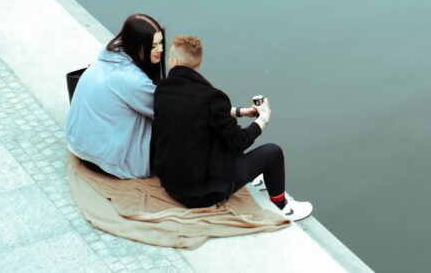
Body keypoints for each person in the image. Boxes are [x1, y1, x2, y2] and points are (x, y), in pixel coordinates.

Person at [151, 34, 312, 220]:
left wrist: (242, 112)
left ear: (174, 61)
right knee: (273, 153)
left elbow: (199, 113)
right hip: (202, 194)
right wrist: (263, 119)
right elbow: (239, 142)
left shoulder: (162, 89)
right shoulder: (212, 97)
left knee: (220, 134)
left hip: (172, 183)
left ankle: (252, 175)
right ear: (198, 63)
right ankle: (281, 205)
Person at [66, 13, 165, 178]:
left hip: (79, 146)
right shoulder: (133, 81)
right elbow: (166, 112)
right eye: (153, 46)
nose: (160, 49)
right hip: (107, 162)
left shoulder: (110, 54)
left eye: (161, 43)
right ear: (138, 45)